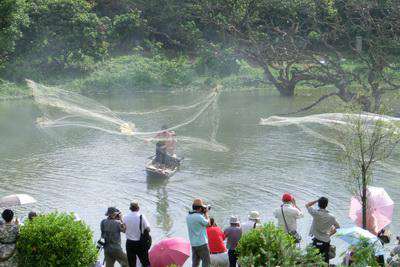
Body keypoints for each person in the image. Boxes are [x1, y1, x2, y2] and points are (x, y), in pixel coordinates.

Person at [306, 197, 340, 264]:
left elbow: (307, 205)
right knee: (325, 260)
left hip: (316, 240)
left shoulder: (316, 213)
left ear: (318, 204)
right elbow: (338, 227)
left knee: (313, 260)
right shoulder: (332, 217)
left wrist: (316, 200)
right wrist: (329, 234)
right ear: (326, 205)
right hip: (326, 241)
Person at [124, 201, 151, 267]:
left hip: (129, 243)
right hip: (140, 243)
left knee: (132, 264)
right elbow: (148, 229)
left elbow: (124, 229)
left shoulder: (125, 217)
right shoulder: (141, 217)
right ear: (138, 208)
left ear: (130, 208)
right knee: (145, 263)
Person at [186, 198, 211, 267]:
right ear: (200, 208)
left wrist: (202, 213)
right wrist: (206, 213)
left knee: (195, 264)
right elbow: (208, 224)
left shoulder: (188, 216)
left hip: (194, 244)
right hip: (202, 244)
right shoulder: (199, 217)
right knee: (206, 263)